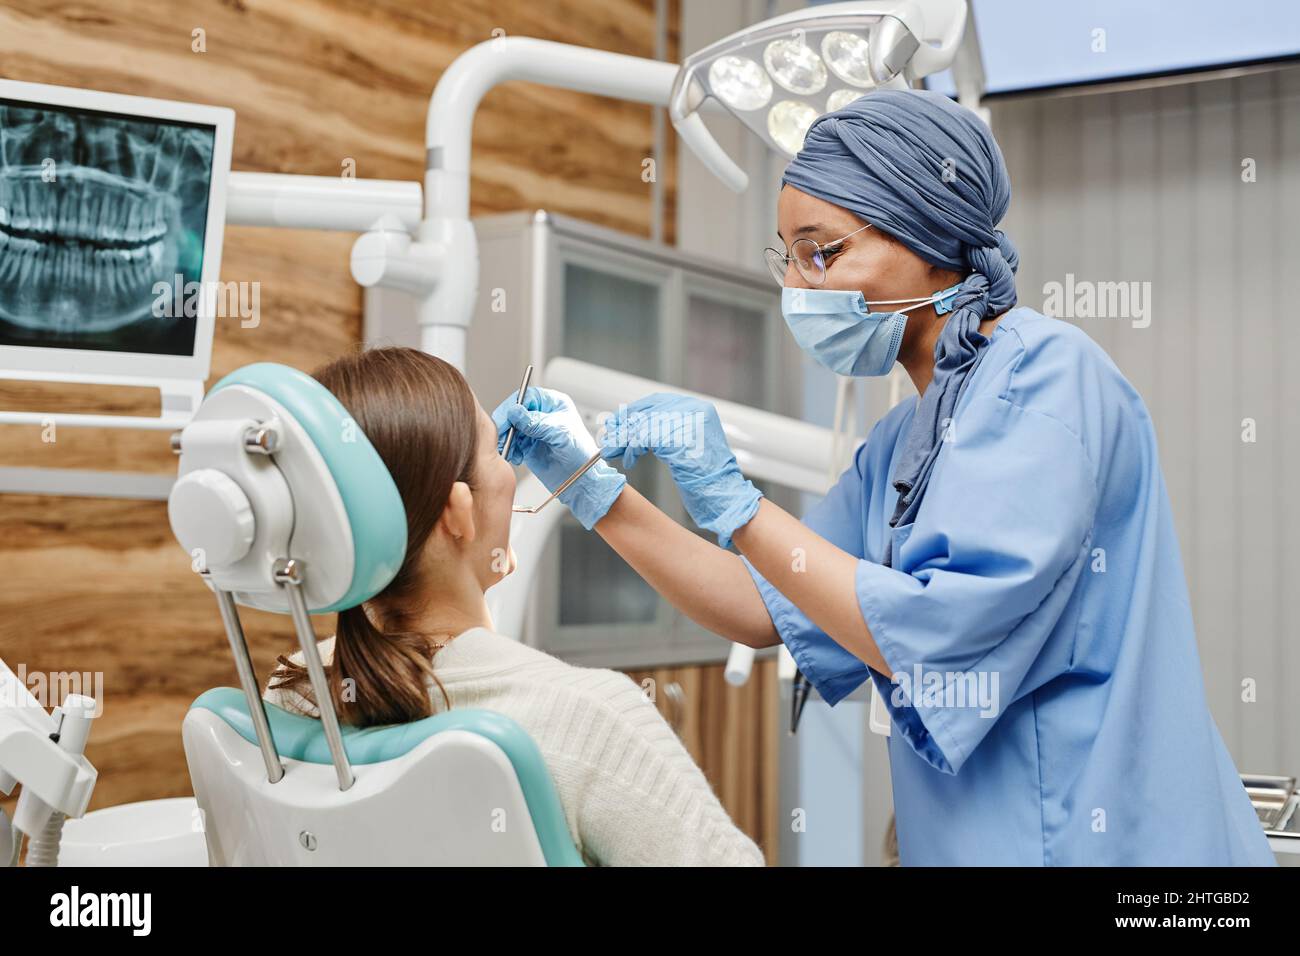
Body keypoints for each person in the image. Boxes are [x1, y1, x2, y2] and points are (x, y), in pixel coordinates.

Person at [493, 89, 1274, 866]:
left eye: (821, 252)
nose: (797, 287)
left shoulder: (1048, 380)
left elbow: (934, 631)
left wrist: (737, 504)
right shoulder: (902, 438)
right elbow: (763, 604)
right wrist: (588, 484)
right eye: (787, 256)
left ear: (928, 238)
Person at [263, 346, 764, 867]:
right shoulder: (588, 720)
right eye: (493, 450)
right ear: (457, 513)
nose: (509, 470)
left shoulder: (291, 696)